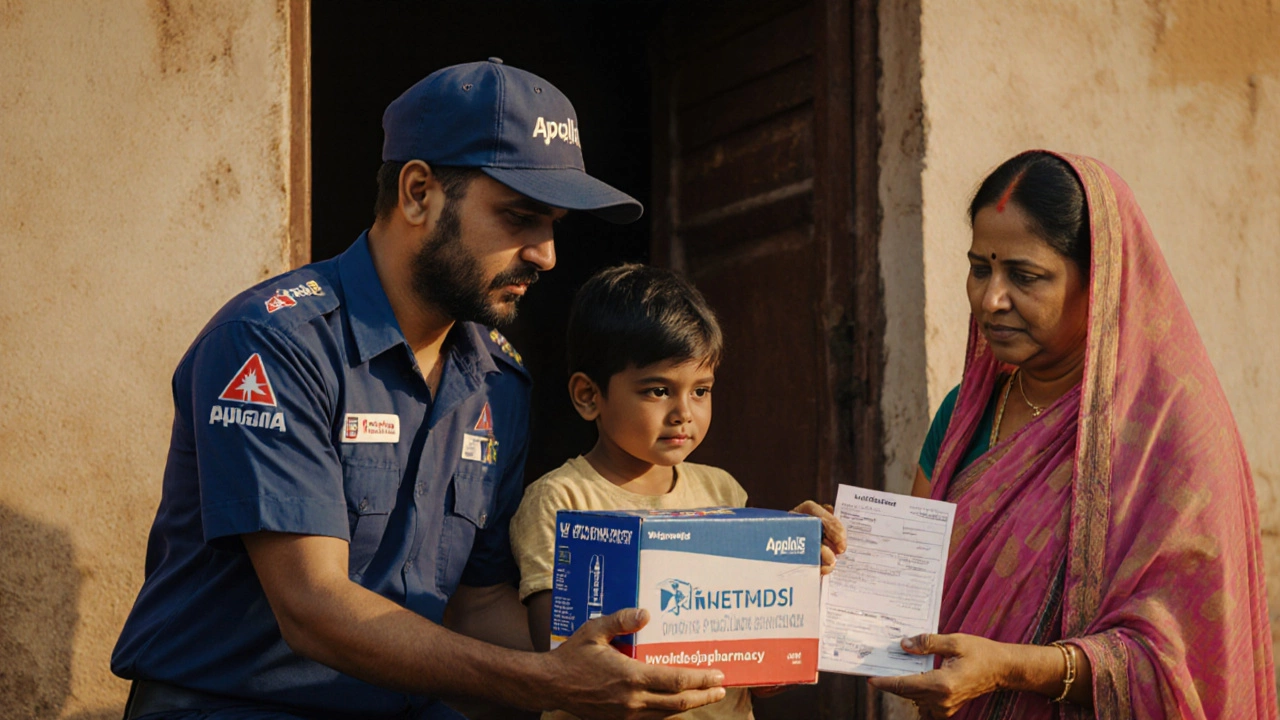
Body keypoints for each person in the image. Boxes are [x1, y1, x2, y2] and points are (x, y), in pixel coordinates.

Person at [110, 59, 729, 720]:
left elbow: (479, 602)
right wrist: (546, 684)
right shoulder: (275, 344)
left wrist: (741, 610)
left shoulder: (499, 379)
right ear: (417, 193)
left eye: (552, 226)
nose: (546, 254)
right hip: (231, 705)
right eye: (519, 217)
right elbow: (313, 607)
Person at [867, 151, 1278, 719]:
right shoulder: (964, 413)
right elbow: (901, 595)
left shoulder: (1172, 437)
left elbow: (1181, 662)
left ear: (1101, 280)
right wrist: (827, 559)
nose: (991, 300)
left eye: (1025, 275)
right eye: (980, 269)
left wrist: (1011, 667)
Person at [509, 263, 848, 720]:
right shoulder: (562, 502)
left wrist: (792, 569)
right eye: (657, 391)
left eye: (701, 390)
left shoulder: (722, 491)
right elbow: (561, 658)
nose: (683, 413)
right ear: (589, 396)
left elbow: (760, 673)